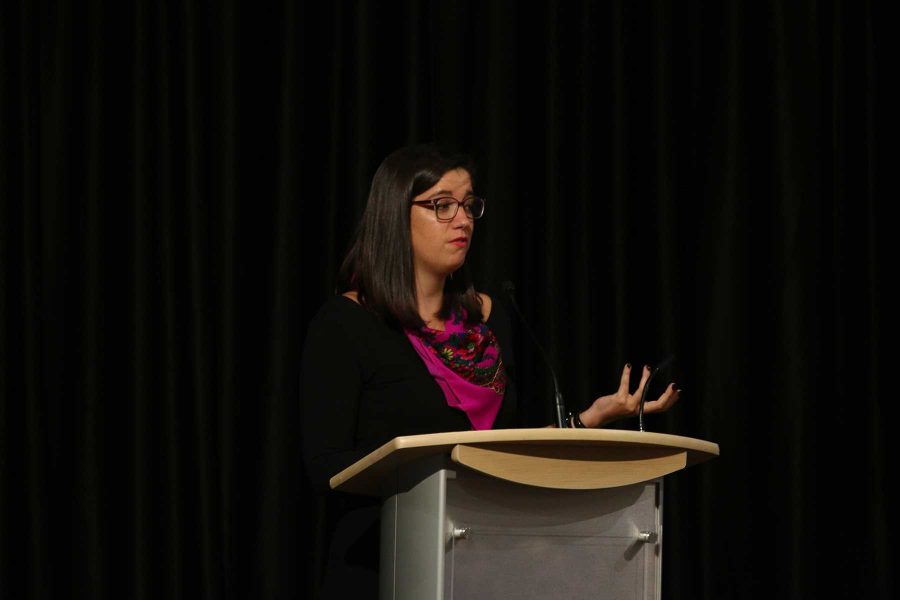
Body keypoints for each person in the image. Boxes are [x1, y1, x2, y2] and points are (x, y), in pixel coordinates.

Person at [299, 143, 680, 597]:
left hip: (492, 565)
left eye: (468, 205)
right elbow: (325, 468)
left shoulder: (490, 319)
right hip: (384, 568)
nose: (463, 220)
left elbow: (506, 452)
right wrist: (430, 472)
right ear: (395, 214)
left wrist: (591, 419)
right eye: (442, 205)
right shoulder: (347, 323)